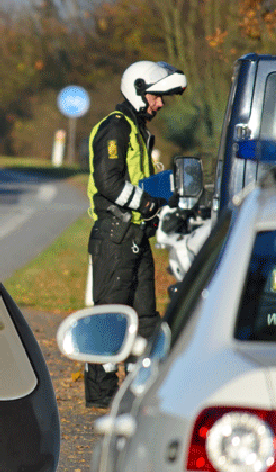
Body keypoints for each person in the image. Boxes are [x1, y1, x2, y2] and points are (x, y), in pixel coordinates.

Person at [84, 61, 186, 408]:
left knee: (145, 319)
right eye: (157, 97)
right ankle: (102, 397)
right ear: (139, 90)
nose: (160, 104)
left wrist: (162, 195)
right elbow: (108, 182)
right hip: (114, 234)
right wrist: (146, 203)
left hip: (135, 236)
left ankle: (143, 389)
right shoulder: (116, 128)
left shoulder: (137, 129)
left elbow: (137, 181)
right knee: (111, 317)